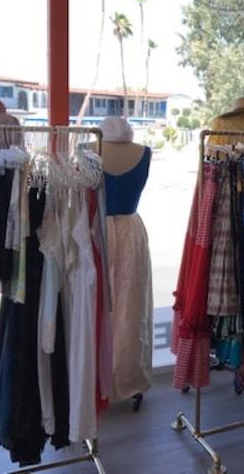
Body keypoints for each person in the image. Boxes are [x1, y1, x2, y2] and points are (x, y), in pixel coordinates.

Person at [98, 116, 153, 412]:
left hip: (100, 231)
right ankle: (123, 378)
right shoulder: (142, 153)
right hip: (128, 231)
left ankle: (105, 380)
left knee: (111, 308)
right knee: (129, 309)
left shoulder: (89, 149)